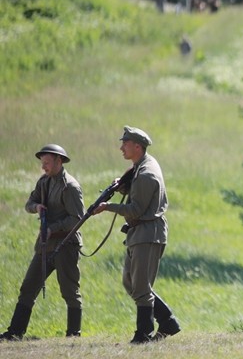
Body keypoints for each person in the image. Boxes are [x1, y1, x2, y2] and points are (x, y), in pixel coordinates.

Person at [93, 126, 180, 344]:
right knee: (130, 282)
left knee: (140, 286)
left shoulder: (145, 173)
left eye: (125, 143)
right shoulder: (142, 167)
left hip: (147, 232)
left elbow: (135, 210)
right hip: (140, 232)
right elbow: (137, 194)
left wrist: (107, 207)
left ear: (137, 147)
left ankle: (143, 334)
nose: (121, 147)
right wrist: (122, 187)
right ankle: (168, 321)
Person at [1, 144, 84, 340]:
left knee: (69, 291)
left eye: (47, 162)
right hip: (45, 246)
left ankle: (73, 334)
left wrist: (52, 228)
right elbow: (28, 204)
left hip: (66, 245)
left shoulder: (70, 187)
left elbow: (77, 219)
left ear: (58, 161)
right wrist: (36, 206)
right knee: (28, 287)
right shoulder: (44, 182)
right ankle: (15, 332)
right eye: (42, 163)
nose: (43, 167)